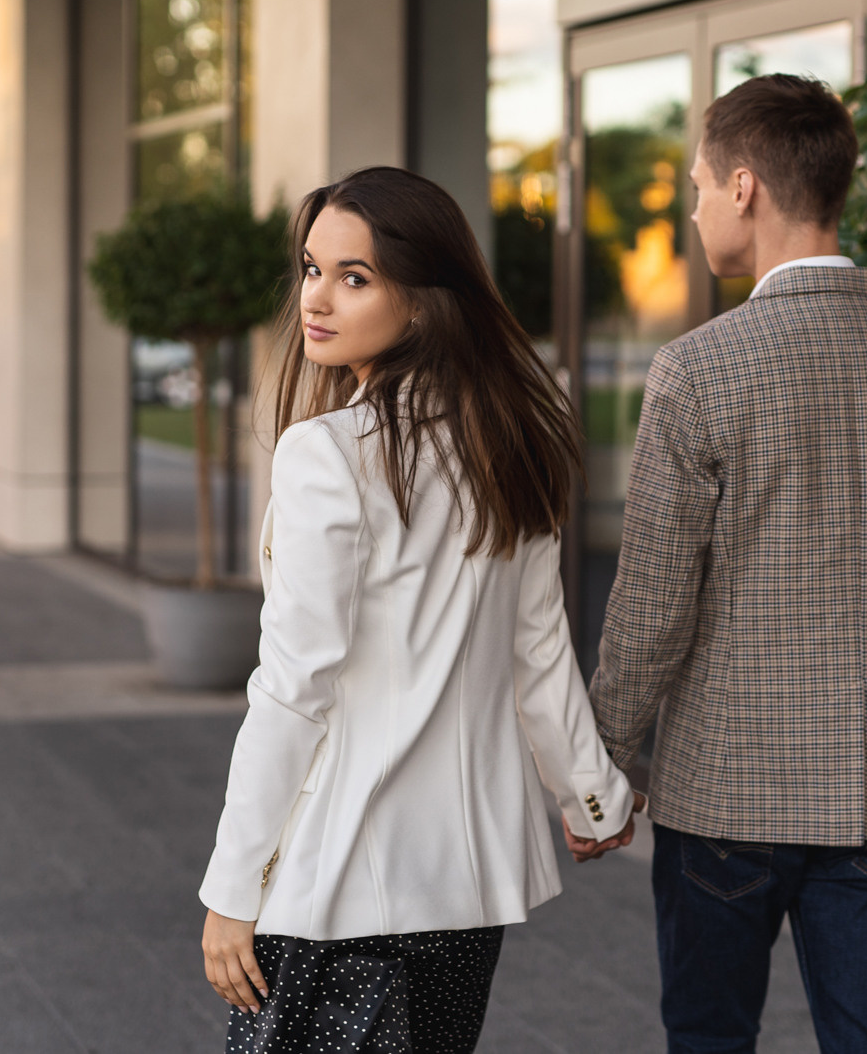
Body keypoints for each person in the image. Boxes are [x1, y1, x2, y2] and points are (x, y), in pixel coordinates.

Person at [582, 74, 867, 1054]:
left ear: (744, 187)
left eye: (694, 186)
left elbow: (651, 601)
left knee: (712, 1037)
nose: (690, 209)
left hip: (721, 790)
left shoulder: (698, 367)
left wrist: (602, 754)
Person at [199, 166, 642, 1054]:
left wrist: (230, 887)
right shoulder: (511, 437)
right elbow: (540, 647)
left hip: (338, 882)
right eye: (312, 267)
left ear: (427, 297)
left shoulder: (326, 453)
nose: (317, 299)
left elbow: (293, 687)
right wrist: (591, 797)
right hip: (461, 888)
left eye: (354, 277)